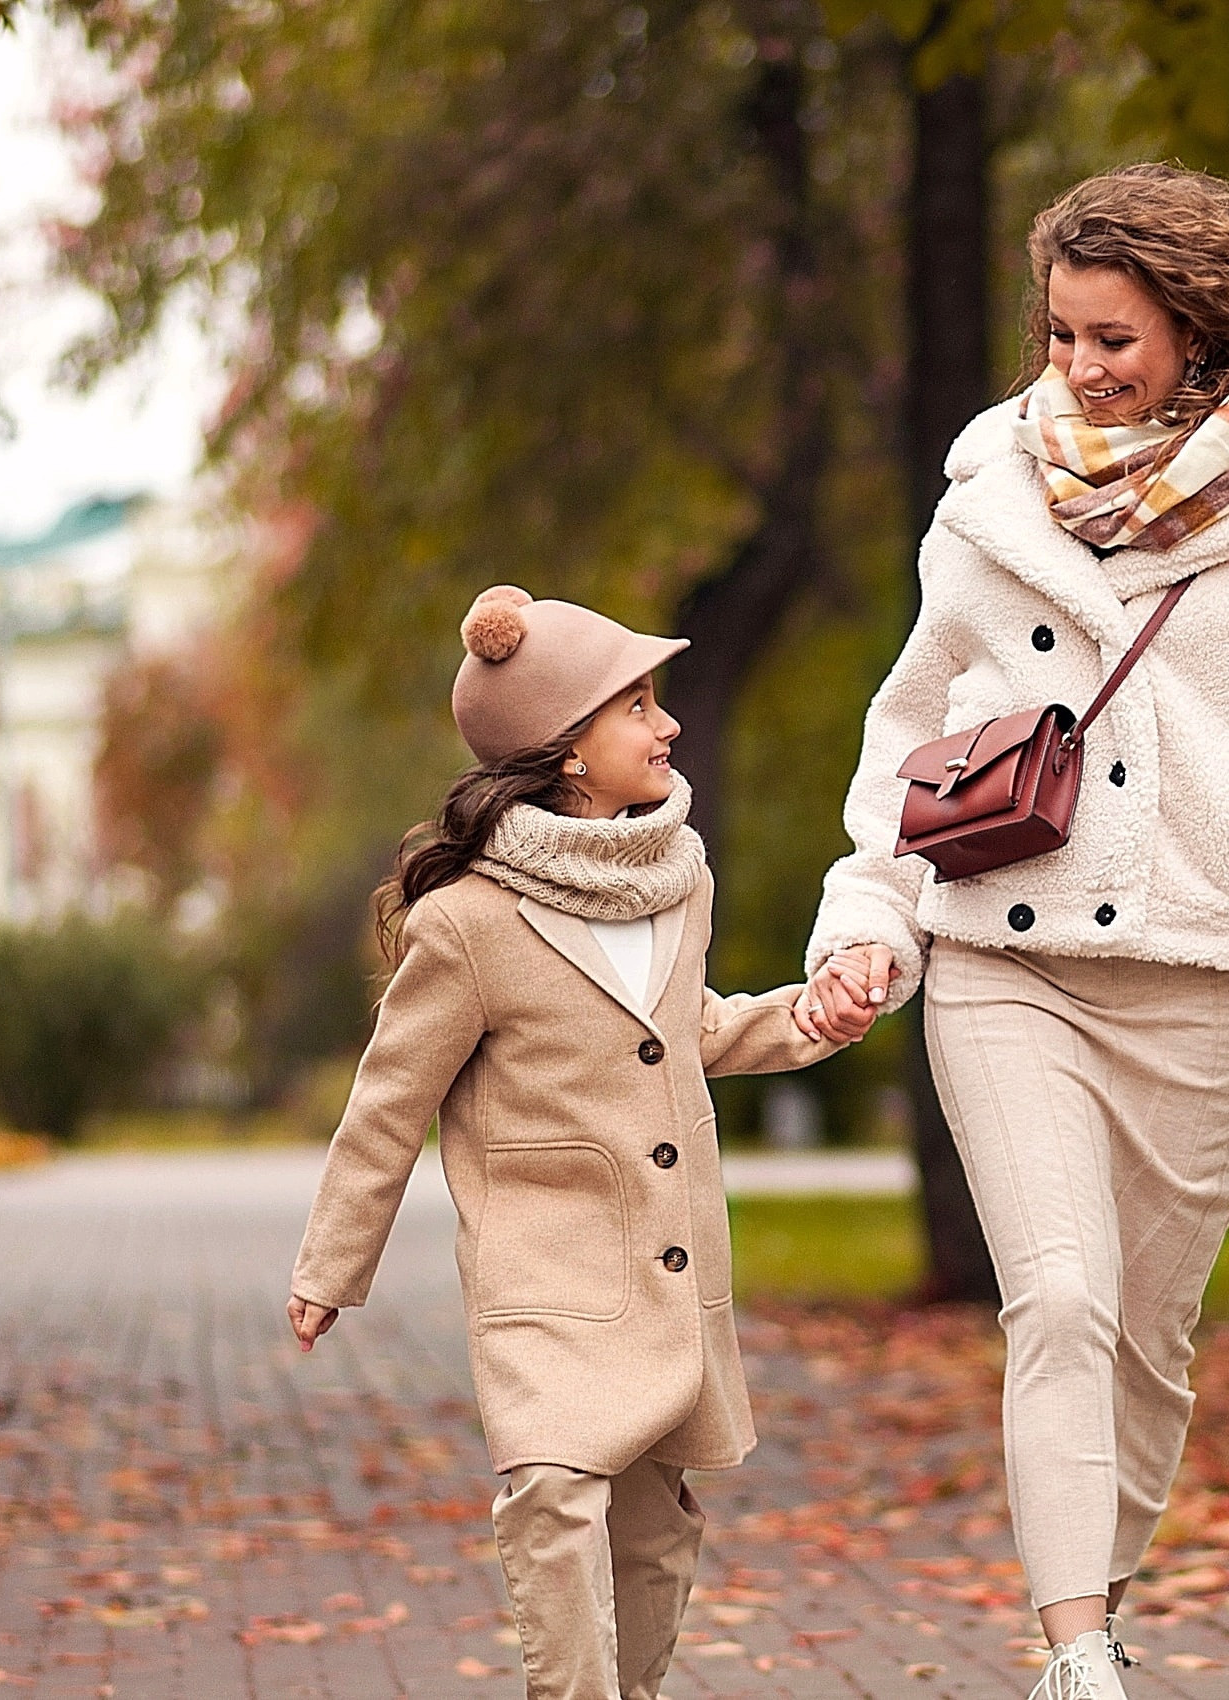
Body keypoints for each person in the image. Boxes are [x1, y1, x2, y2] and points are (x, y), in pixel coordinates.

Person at [798, 164, 1229, 1700]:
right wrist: (870, 916)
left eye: (1115, 340)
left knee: (1148, 1344)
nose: (1084, 369)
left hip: (1203, 976)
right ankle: (1074, 1652)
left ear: (1199, 330)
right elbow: (913, 737)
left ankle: (1100, 1600)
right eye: (1062, 336)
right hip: (1006, 960)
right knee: (1061, 1302)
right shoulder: (987, 504)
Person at [286, 585, 874, 1700]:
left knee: (655, 1521)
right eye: (637, 705)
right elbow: (388, 1103)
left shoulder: (679, 879)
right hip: (545, 1270)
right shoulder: (468, 921)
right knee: (553, 1490)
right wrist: (331, 1266)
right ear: (566, 750)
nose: (668, 724)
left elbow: (685, 1031)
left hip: (664, 1263)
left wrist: (810, 1016)